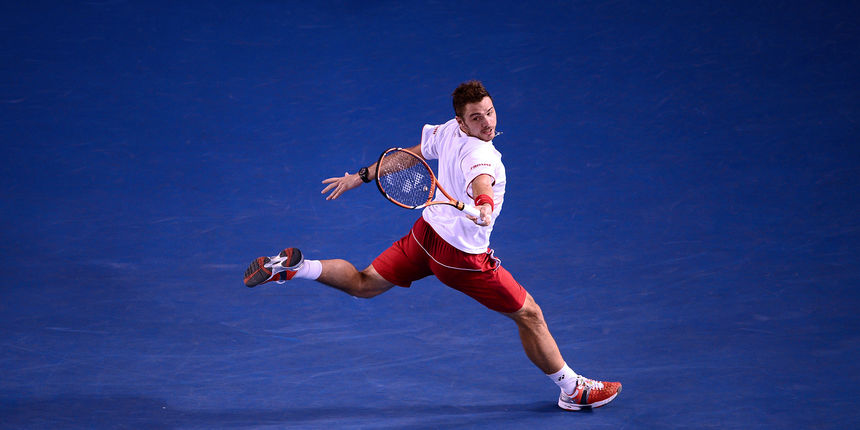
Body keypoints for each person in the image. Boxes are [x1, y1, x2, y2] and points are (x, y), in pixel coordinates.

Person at [243, 80, 621, 411]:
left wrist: (362, 176)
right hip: (460, 257)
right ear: (462, 121)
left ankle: (297, 267)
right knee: (530, 314)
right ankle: (572, 390)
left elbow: (409, 155)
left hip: (424, 237)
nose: (487, 122)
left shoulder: (447, 132)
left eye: (489, 112)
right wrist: (485, 207)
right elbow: (482, 184)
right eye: (476, 118)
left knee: (364, 284)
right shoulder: (482, 155)